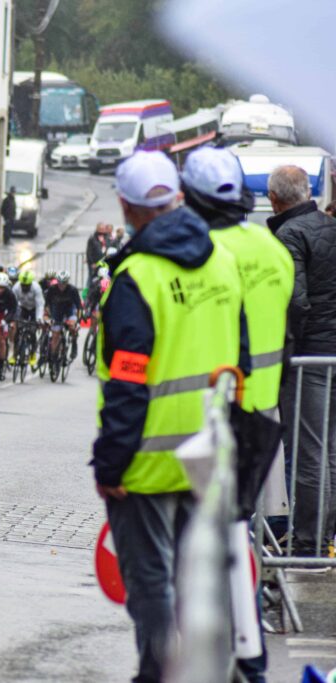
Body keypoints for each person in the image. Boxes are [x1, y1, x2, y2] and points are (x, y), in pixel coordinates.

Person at [93, 151, 243, 683]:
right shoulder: (222, 260)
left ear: (126, 207)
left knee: (152, 581)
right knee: (201, 578)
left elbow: (128, 381)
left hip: (148, 461)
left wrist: (110, 463)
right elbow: (241, 359)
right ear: (178, 198)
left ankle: (156, 673)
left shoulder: (137, 277)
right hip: (211, 452)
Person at [182, 147, 293, 681]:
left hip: (212, 410)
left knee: (203, 539)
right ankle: (248, 647)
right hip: (263, 408)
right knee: (238, 529)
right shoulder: (273, 248)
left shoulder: (206, 253)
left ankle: (220, 649)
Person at [267, 164, 336, 556]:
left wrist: (287, 349)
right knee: (330, 449)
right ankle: (325, 537)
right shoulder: (329, 226)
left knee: (308, 450)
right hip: (332, 354)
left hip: (310, 356)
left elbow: (295, 301)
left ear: (274, 199)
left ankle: (309, 542)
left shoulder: (289, 234)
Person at [45, 270, 82, 361]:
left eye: (64, 283)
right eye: (60, 283)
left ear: (67, 282)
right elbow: (47, 305)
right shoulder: (52, 289)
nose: (61, 285)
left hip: (70, 311)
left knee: (72, 326)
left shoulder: (73, 290)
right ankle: (53, 356)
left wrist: (78, 321)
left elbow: (79, 307)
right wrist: (48, 317)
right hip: (57, 311)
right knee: (55, 335)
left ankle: (74, 342)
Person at [13, 270, 44, 367]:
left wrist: (39, 318)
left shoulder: (36, 288)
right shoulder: (16, 287)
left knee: (32, 331)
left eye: (27, 285)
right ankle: (14, 354)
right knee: (17, 331)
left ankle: (32, 354)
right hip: (23, 308)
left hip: (34, 309)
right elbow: (13, 303)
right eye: (23, 285)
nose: (25, 287)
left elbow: (40, 305)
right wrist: (13, 317)